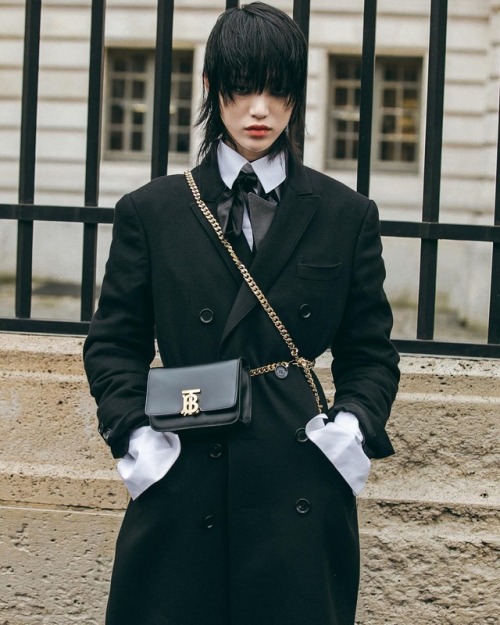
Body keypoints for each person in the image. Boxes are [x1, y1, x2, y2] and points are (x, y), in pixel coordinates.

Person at [83, 3, 400, 624]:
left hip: (298, 484)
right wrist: (140, 445)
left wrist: (348, 433)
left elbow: (371, 354)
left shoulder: (346, 215)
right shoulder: (153, 211)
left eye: (277, 89)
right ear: (210, 88)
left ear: (296, 93)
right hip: (184, 470)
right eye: (242, 86)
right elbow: (113, 346)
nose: (260, 109)